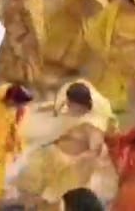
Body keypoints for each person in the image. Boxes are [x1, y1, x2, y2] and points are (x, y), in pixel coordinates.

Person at [14, 81, 116, 209]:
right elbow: (56, 110)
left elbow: (96, 151)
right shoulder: (69, 113)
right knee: (28, 188)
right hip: (51, 155)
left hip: (67, 165)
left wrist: (76, 162)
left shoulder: (92, 125)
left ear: (81, 105)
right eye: (68, 103)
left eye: (71, 104)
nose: (69, 106)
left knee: (49, 197)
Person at [85, 0, 135, 113]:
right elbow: (103, 22)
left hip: (124, 61)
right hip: (108, 53)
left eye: (126, 1)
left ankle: (104, 109)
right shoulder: (116, 8)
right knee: (100, 79)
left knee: (111, 87)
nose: (121, 2)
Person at [44, 0, 108, 72]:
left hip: (85, 12)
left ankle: (71, 64)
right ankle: (55, 56)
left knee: (77, 38)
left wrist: (74, 9)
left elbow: (90, 5)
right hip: (73, 7)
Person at [0, 0, 45, 86]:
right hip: (11, 40)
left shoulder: (26, 4)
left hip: (23, 42)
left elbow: (33, 27)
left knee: (26, 73)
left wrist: (23, 42)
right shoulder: (11, 1)